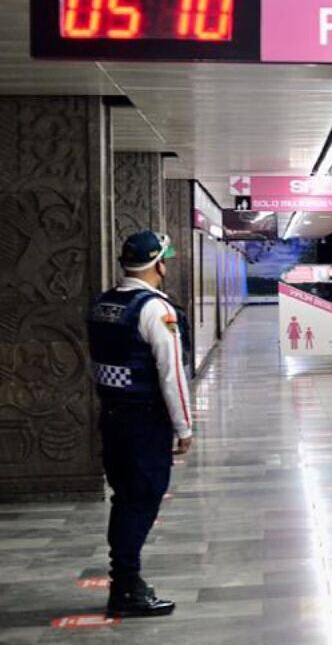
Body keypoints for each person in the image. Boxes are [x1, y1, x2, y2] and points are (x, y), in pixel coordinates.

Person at [86, 230, 193, 618]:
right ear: (158, 264)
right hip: (143, 421)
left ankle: (126, 580)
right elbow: (171, 374)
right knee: (141, 500)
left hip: (112, 416)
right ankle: (126, 587)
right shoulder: (154, 310)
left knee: (125, 498)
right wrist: (184, 427)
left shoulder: (104, 304)